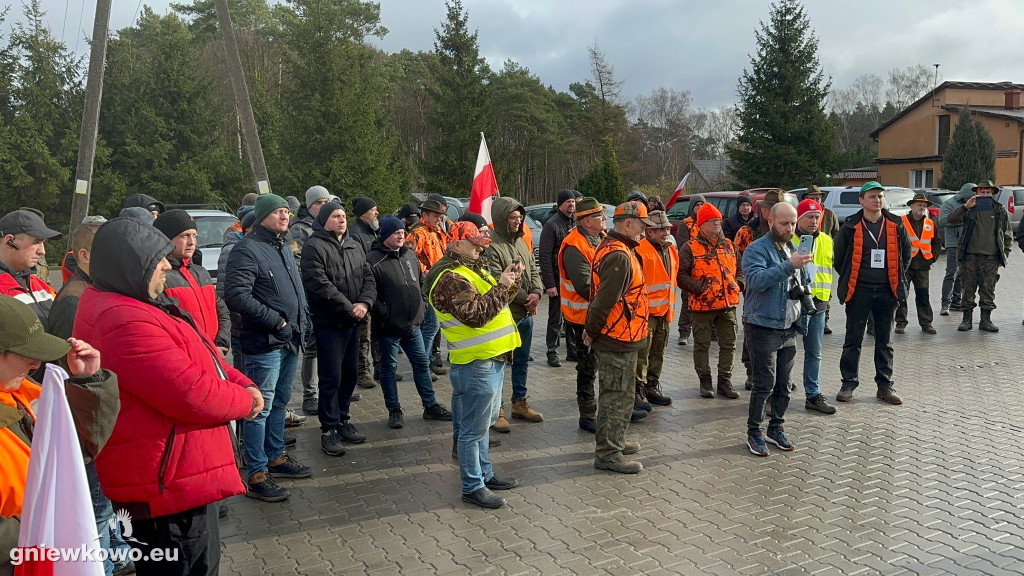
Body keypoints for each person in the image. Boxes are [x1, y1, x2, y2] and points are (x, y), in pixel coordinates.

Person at [74, 218, 261, 575]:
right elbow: (190, 392)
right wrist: (247, 401)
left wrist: (241, 381)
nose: (166, 264)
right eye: (156, 259)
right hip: (166, 486)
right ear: (130, 266)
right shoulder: (123, 318)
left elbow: (202, 355)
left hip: (174, 474)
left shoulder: (136, 302)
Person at [0, 295, 120, 576]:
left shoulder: (20, 395)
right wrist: (44, 524)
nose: (34, 365)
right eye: (24, 355)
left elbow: (77, 452)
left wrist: (88, 383)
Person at [424, 221, 522, 509]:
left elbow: (495, 305)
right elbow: (476, 315)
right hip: (476, 363)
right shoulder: (449, 277)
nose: (481, 246)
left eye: (481, 242)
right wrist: (503, 285)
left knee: (482, 427)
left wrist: (510, 284)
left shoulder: (470, 268)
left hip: (491, 359)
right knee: (472, 431)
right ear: (456, 244)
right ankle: (472, 486)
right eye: (474, 242)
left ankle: (484, 474)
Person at [225, 194, 312, 502]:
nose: (284, 216)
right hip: (264, 341)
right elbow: (236, 296)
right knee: (258, 407)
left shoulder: (282, 247)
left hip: (289, 338)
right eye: (277, 212)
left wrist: (303, 321)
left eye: (286, 211)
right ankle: (257, 472)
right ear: (261, 216)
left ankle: (276, 456)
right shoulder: (246, 250)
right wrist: (276, 321)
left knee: (280, 402)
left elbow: (296, 289)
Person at [300, 202, 378, 456]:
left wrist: (365, 303)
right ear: (324, 220)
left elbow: (368, 277)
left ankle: (343, 419)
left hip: (354, 321)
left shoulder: (355, 244)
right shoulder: (314, 246)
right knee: (331, 377)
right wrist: (349, 307)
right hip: (330, 322)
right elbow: (319, 284)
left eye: (343, 216)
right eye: (335, 216)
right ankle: (329, 428)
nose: (342, 220)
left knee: (350, 374)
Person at [586, 201, 654, 474]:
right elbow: (603, 301)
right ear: (628, 223)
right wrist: (590, 333)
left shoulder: (620, 249)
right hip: (616, 337)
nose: (644, 230)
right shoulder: (619, 255)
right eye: (641, 225)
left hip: (625, 335)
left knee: (622, 395)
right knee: (616, 396)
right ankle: (608, 454)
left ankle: (615, 441)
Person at [367, 216, 452, 430]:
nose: (401, 235)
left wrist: (422, 307)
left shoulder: (409, 255)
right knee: (389, 368)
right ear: (385, 234)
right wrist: (385, 313)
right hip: (388, 328)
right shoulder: (372, 260)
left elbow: (421, 284)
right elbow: (370, 294)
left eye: (402, 232)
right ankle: (394, 410)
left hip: (413, 325)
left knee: (421, 365)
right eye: (396, 232)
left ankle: (430, 406)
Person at [741, 202, 811, 456]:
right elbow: (756, 281)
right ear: (770, 221)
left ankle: (776, 427)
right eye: (784, 223)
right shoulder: (756, 249)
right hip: (762, 325)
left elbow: (803, 280)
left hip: (789, 326)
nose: (789, 228)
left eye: (793, 223)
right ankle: (754, 432)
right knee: (764, 384)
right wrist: (789, 265)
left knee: (784, 384)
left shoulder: (794, 246)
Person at [834, 182, 911, 406]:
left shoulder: (896, 224)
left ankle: (885, 386)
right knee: (853, 340)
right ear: (861, 200)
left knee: (884, 341)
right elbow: (839, 258)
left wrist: (895, 279)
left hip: (887, 291)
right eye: (872, 196)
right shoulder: (850, 226)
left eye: (880, 196)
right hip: (859, 291)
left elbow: (906, 255)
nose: (877, 200)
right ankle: (848, 383)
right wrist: (852, 280)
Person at [486, 198, 545, 431]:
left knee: (521, 361)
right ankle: (497, 410)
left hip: (526, 314)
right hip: (504, 314)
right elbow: (495, 278)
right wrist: (525, 298)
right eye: (513, 218)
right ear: (502, 218)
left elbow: (532, 269)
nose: (517, 221)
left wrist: (538, 293)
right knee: (501, 364)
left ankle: (519, 403)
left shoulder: (522, 242)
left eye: (520, 218)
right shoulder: (492, 246)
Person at [678, 202, 742, 400]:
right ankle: (705, 380)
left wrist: (739, 284)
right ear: (701, 224)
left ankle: (725, 380)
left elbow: (740, 270)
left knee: (729, 344)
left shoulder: (729, 246)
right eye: (712, 221)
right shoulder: (690, 247)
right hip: (702, 306)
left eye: (718, 220)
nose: (717, 224)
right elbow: (681, 276)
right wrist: (700, 289)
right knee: (702, 345)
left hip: (727, 304)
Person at [288, 185, 338, 416]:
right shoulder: (300, 230)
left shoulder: (333, 227)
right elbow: (297, 263)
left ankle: (332, 389)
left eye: (326, 201)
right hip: (312, 295)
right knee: (312, 347)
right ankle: (310, 394)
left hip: (334, 295)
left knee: (332, 345)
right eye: (318, 203)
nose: (323, 206)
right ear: (309, 206)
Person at [153, 210, 232, 355]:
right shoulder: (158, 278)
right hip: (188, 356)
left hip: (215, 353)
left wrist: (221, 343)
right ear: (165, 239)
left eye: (194, 235)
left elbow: (221, 309)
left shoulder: (201, 272)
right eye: (184, 236)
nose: (192, 242)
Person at [734, 191, 786, 389]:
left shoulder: (787, 231)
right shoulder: (748, 231)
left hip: (780, 291)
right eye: (772, 208)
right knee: (754, 334)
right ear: (764, 210)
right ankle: (752, 372)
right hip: (754, 288)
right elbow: (736, 258)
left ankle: (780, 375)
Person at [947, 180, 1012, 332]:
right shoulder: (970, 209)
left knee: (988, 290)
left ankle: (985, 320)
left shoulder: (999, 210)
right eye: (982, 192)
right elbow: (950, 220)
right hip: (969, 257)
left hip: (991, 258)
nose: (985, 195)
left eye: (988, 192)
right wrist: (964, 207)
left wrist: (1005, 254)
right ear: (977, 193)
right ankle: (966, 320)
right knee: (968, 290)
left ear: (993, 194)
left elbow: (1007, 234)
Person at [791, 199, 837, 415]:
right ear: (799, 218)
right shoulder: (787, 239)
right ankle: (778, 393)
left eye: (817, 217)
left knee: (815, 353)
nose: (814, 221)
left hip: (818, 303)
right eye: (809, 217)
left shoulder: (827, 240)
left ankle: (813, 394)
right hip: (791, 303)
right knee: (785, 352)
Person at [634, 210, 677, 409]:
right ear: (649, 231)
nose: (666, 232)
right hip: (645, 314)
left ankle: (652, 385)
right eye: (661, 229)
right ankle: (638, 390)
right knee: (642, 354)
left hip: (664, 313)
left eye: (667, 228)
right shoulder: (640, 251)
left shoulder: (670, 250)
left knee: (658, 352)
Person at [408, 198, 450, 377]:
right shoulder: (418, 233)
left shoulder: (438, 231)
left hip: (439, 283)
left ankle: (426, 363)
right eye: (435, 216)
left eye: (441, 216)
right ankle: (422, 366)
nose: (439, 219)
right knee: (431, 325)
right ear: (424, 215)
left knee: (434, 326)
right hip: (426, 285)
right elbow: (408, 258)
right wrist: (423, 274)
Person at [0, 210, 60, 330]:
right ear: (9, 241)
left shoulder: (40, 285)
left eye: (43, 243)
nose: (42, 251)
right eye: (37, 242)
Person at [538, 189, 577, 367]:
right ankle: (551, 352)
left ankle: (572, 350)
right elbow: (545, 256)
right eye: (568, 202)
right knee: (555, 318)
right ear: (560, 204)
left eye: (573, 202)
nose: (571, 205)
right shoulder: (551, 225)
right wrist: (549, 284)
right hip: (556, 278)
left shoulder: (575, 223)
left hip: (571, 280)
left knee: (571, 317)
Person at [349, 195, 382, 389]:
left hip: (379, 289)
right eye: (373, 209)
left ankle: (381, 367)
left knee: (379, 331)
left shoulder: (375, 231)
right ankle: (363, 371)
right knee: (364, 335)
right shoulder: (356, 234)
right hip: (364, 291)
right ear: (363, 213)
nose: (376, 212)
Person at [896, 192, 939, 334]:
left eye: (924, 205)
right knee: (902, 294)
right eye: (919, 204)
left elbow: (937, 241)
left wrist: (933, 257)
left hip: (923, 265)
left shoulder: (930, 223)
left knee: (923, 295)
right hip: (905, 266)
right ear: (912, 206)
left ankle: (926, 323)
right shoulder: (901, 222)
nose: (922, 207)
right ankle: (900, 323)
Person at [938, 183, 975, 315]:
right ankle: (945, 304)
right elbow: (942, 221)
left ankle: (956, 301)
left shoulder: (975, 205)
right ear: (965, 196)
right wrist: (963, 219)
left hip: (968, 244)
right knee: (951, 272)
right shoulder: (949, 204)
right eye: (970, 198)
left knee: (962, 273)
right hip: (953, 243)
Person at [673, 194, 705, 345]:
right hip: (690, 268)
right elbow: (683, 246)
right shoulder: (685, 224)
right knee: (687, 301)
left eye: (702, 205)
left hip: (708, 270)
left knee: (709, 300)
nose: (699, 208)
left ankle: (711, 333)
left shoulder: (709, 222)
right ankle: (684, 332)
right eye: (697, 205)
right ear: (692, 207)